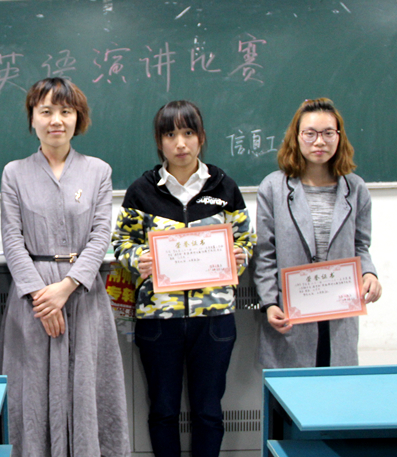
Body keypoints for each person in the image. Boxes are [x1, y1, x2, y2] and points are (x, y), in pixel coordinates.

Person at [112, 100, 255, 457]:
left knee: (208, 411)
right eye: (170, 134)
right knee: (163, 410)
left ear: (201, 137)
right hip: (159, 320)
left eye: (188, 133)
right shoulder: (142, 190)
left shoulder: (224, 187)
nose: (180, 143)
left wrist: (240, 256)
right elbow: (121, 241)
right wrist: (137, 258)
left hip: (214, 318)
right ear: (159, 142)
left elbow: (245, 239)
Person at [0, 77, 129, 456]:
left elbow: (101, 236)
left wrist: (66, 288)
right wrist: (43, 298)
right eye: (46, 111)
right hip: (32, 302)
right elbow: (12, 240)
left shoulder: (98, 171)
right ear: (32, 118)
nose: (56, 120)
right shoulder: (14, 173)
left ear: (78, 118)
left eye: (66, 111)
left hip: (82, 296)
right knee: (32, 390)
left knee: (88, 388)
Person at [254, 98, 382, 368]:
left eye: (328, 133)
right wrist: (269, 303)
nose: (319, 142)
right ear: (297, 137)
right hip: (291, 313)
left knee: (335, 386)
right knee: (292, 389)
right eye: (310, 134)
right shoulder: (273, 188)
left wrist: (369, 274)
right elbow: (265, 253)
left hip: (339, 310)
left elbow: (360, 246)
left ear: (339, 137)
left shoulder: (356, 189)